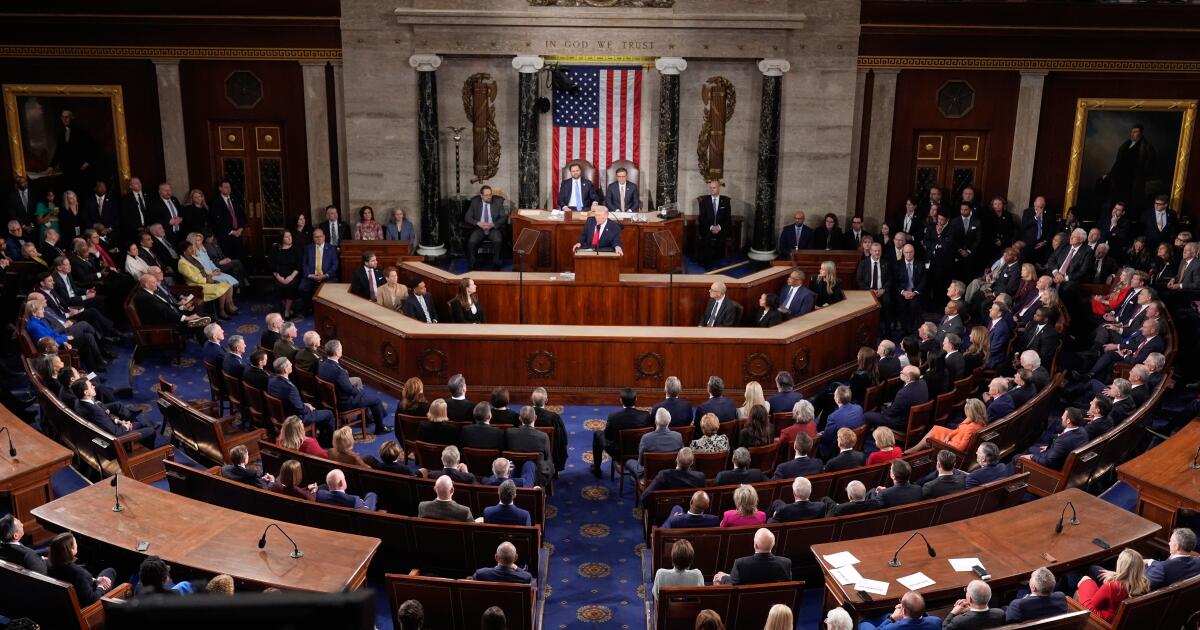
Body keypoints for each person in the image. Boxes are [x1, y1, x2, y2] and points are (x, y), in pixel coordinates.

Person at [319, 339, 391, 434]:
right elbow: (349, 389)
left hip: (329, 399)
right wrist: (359, 392)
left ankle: (368, 418)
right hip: (343, 403)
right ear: (336, 352)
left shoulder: (322, 364)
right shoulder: (339, 371)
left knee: (364, 395)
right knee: (376, 400)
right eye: (341, 348)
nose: (342, 350)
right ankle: (380, 428)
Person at [268, 357, 335, 446]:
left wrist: (304, 404)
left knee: (317, 410)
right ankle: (330, 443)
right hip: (295, 418)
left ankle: (322, 436)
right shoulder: (290, 388)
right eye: (289, 364)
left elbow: (288, 401)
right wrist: (308, 408)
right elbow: (301, 410)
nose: (291, 364)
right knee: (328, 414)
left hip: (280, 414)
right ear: (285, 369)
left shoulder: (271, 380)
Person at [1075, 548, 1149, 622]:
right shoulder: (1144, 584)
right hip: (1118, 618)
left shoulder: (1112, 585)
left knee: (1085, 579)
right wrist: (1117, 575)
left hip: (1101, 619)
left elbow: (1095, 605)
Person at [47, 531, 118, 607]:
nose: (77, 544)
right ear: (71, 550)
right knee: (110, 571)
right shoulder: (78, 574)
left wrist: (94, 580)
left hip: (68, 604)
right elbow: (92, 600)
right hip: (88, 610)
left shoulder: (51, 565)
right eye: (75, 543)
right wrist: (101, 586)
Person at [593, 387, 651, 476]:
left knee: (597, 434)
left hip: (619, 454)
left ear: (621, 400)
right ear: (636, 399)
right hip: (639, 451)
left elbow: (608, 437)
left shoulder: (613, 417)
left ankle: (597, 469)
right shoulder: (645, 416)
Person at [713, 528, 791, 585]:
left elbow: (733, 583)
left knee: (717, 579)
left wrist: (723, 577)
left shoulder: (740, 564)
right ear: (773, 544)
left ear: (755, 545)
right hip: (775, 603)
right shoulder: (785, 563)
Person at [179, 240, 235, 319]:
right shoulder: (182, 263)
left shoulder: (193, 257)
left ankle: (229, 306)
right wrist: (207, 280)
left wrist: (210, 274)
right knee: (222, 289)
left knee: (228, 285)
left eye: (192, 247)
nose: (192, 249)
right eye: (190, 248)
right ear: (184, 251)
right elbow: (194, 278)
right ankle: (221, 311)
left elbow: (203, 270)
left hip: (205, 280)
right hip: (196, 286)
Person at [911, 398, 988, 452]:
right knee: (936, 429)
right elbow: (958, 429)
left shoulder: (972, 428)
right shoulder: (975, 420)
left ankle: (916, 449)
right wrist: (948, 436)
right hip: (952, 437)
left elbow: (961, 448)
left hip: (953, 444)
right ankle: (917, 448)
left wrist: (949, 442)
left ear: (972, 413)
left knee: (933, 434)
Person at [505, 407, 555, 484]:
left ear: (520, 419)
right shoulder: (543, 436)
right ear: (535, 418)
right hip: (532, 475)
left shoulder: (509, 433)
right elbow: (548, 460)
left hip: (513, 472)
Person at [465, 186, 507, 270]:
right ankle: (473, 264)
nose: (489, 197)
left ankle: (496, 263)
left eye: (490, 194)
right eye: (487, 195)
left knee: (498, 241)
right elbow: (467, 217)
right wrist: (478, 223)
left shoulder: (498, 202)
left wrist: (493, 224)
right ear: (481, 195)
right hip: (480, 228)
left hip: (493, 228)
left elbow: (503, 217)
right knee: (472, 242)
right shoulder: (475, 202)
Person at [298, 228, 338, 312]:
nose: (319, 238)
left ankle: (327, 309)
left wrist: (325, 275)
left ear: (324, 237)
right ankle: (310, 307)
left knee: (331, 289)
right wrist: (309, 275)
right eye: (316, 237)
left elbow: (335, 265)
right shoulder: (308, 248)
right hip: (311, 276)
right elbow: (304, 263)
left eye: (320, 236)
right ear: (313, 238)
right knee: (302, 288)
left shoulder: (331, 248)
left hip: (327, 276)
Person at [860, 591, 941, 630]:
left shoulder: (891, 628)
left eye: (901, 602)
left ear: (904, 611)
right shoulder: (936, 621)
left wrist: (891, 619)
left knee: (864, 624)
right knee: (887, 615)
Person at [697, 180, 732, 268]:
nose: (712, 190)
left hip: (721, 228)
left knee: (721, 238)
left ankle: (718, 260)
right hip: (708, 227)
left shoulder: (725, 201)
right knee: (707, 238)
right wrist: (712, 227)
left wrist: (719, 227)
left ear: (718, 188)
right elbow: (702, 218)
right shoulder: (704, 201)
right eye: (710, 188)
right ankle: (707, 264)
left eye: (714, 188)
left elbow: (728, 218)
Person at [768, 476, 833, 523]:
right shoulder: (821, 506)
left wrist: (774, 516)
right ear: (810, 492)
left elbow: (770, 524)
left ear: (794, 493)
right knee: (778, 502)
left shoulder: (783, 510)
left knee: (777, 503)